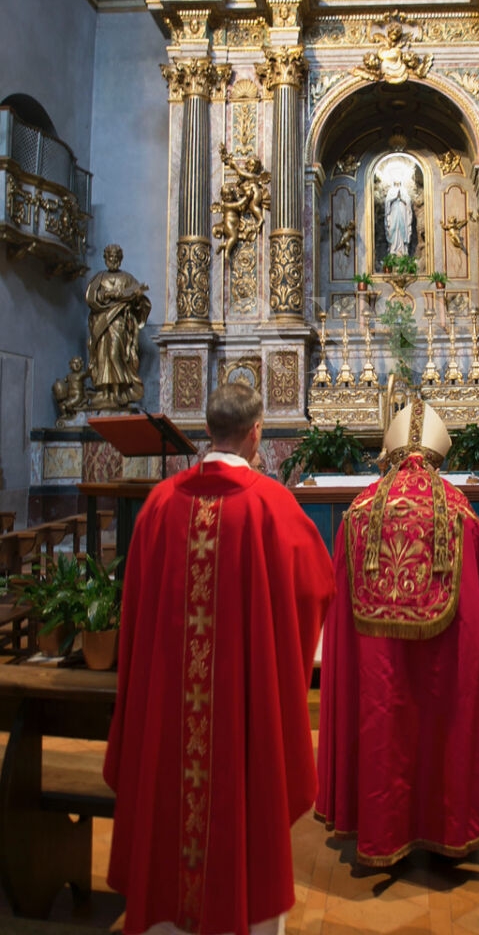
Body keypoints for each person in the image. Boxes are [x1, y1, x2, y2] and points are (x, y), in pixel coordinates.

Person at [103, 383, 335, 935]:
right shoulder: (272, 506)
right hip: (242, 713)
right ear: (256, 433)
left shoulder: (159, 505)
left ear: (207, 430)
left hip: (169, 715)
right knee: (248, 799)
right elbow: (316, 589)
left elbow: (134, 610)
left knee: (167, 796)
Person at [315, 398, 479, 866]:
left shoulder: (358, 513)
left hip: (377, 671)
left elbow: (339, 630)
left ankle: (378, 825)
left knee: (382, 710)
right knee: (448, 712)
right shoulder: (461, 514)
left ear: (392, 454)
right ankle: (452, 821)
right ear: (438, 457)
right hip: (445, 664)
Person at [85, 244, 151, 409]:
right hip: (101, 321)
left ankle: (118, 392)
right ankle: (104, 392)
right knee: (102, 356)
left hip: (119, 321)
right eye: (110, 257)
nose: (113, 260)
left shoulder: (127, 279)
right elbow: (91, 298)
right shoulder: (99, 278)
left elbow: (139, 303)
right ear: (105, 258)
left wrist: (136, 297)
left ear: (120, 259)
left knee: (115, 354)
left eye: (116, 257)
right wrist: (108, 294)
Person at [385, 180, 412, 256]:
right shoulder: (390, 191)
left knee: (402, 227)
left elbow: (408, 201)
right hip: (393, 211)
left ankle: (403, 250)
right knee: (393, 227)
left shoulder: (404, 190)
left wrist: (401, 198)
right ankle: (393, 249)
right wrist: (395, 197)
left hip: (402, 210)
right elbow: (387, 201)